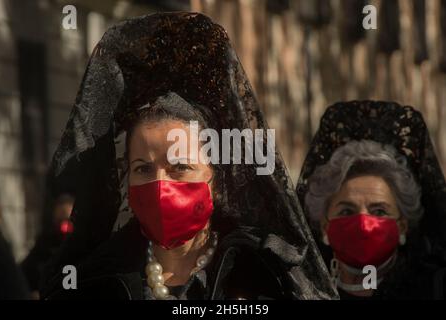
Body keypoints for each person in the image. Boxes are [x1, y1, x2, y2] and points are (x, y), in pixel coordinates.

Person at [40, 12, 337, 300]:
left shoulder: (266, 276)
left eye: (180, 166)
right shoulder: (94, 282)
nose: (160, 185)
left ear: (217, 176)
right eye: (143, 168)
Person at [296, 100, 446, 299]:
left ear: (402, 226)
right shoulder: (296, 289)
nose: (364, 225)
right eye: (347, 211)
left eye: (379, 211)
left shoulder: (435, 289)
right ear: (324, 227)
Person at [21, 193, 74, 299]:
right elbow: (26, 270)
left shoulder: (79, 245)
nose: (64, 227)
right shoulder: (45, 242)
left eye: (67, 222)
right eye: (60, 220)